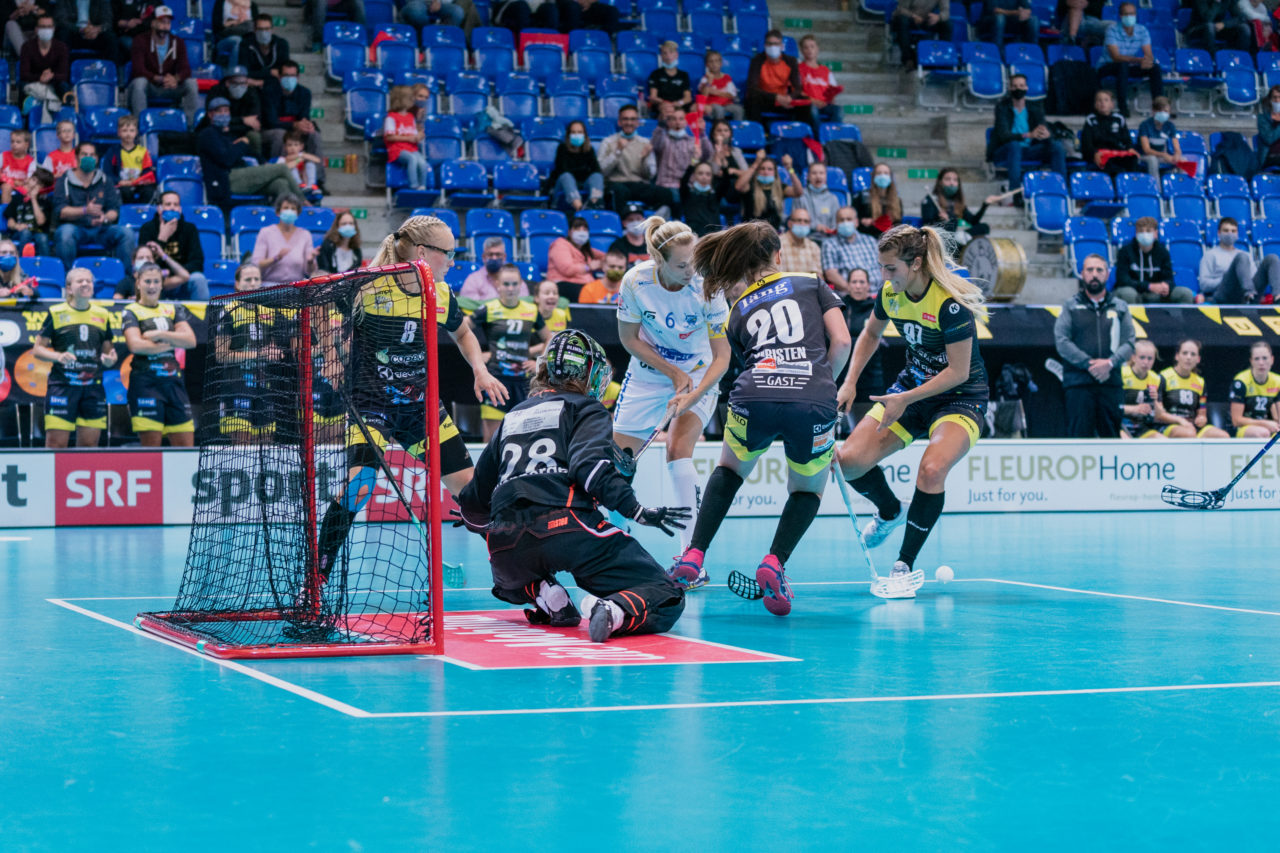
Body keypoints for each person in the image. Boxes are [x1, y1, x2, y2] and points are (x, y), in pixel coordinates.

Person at [455, 329, 689, 642]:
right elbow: (588, 469)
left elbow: (472, 503)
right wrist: (636, 510)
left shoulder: (512, 416)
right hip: (567, 527)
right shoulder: (586, 408)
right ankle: (613, 609)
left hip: (505, 546)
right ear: (588, 373)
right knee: (667, 593)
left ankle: (542, 592)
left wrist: (484, 525)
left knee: (507, 580)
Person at [312, 214, 508, 587]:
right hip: (370, 406)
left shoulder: (442, 293)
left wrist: (480, 371)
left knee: (474, 496)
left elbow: (464, 334)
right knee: (359, 486)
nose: (452, 261)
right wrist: (331, 356)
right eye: (448, 253)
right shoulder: (368, 285)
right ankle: (317, 576)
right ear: (422, 252)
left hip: (421, 409)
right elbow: (319, 303)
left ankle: (521, 571)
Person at [670, 221, 849, 613]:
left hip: (754, 395)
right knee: (807, 489)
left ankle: (693, 555)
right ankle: (774, 562)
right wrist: (824, 389)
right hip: (812, 398)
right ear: (777, 256)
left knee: (730, 471)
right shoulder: (811, 282)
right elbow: (842, 341)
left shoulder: (738, 308)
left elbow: (745, 360)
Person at [835, 224, 986, 596]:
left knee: (932, 470)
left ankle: (903, 565)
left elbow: (958, 371)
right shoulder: (890, 293)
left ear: (916, 263)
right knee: (847, 461)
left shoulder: (950, 304)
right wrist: (850, 381)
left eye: (891, 269)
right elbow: (870, 334)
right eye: (881, 268)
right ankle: (889, 510)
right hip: (909, 390)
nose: (884, 277)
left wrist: (906, 398)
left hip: (959, 397)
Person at [613, 216, 731, 560]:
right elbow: (628, 339)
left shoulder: (708, 286)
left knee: (678, 450)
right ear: (658, 260)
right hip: (648, 374)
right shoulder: (635, 282)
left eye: (693, 261)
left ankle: (691, 556)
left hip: (700, 371)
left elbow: (722, 357)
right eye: (681, 265)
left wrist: (691, 391)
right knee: (618, 460)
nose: (690, 270)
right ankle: (613, 539)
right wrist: (670, 373)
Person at [31, 267, 116, 448]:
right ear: (69, 289)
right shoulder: (56, 312)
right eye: (80, 281)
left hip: (93, 388)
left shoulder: (103, 314)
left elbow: (109, 352)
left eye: (88, 281)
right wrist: (58, 356)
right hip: (62, 386)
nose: (85, 284)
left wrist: (110, 359)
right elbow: (37, 350)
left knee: (88, 447)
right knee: (56, 446)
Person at [1053, 254, 1136, 437]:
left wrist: (1110, 364)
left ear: (1107, 274)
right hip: (1078, 385)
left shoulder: (1120, 307)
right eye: (1090, 270)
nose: (1094, 274)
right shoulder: (1070, 306)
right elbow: (1062, 341)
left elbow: (1130, 341)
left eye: (1099, 270)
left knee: (1111, 439)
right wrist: (1090, 364)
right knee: (1078, 440)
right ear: (1082, 274)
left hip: (1110, 383)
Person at [469, 263, 551, 440]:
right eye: (506, 284)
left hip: (523, 382)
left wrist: (539, 362)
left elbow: (549, 338)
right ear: (497, 285)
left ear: (521, 284)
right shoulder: (488, 308)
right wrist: (477, 355)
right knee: (492, 439)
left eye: (515, 284)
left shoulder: (531, 310)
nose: (511, 288)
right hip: (496, 379)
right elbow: (462, 330)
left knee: (524, 436)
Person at [213, 261, 291, 444]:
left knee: (266, 441)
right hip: (237, 386)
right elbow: (221, 355)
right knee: (242, 445)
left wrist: (275, 353)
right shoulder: (228, 312)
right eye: (248, 279)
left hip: (265, 387)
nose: (253, 283)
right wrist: (258, 354)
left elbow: (277, 349)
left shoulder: (270, 311)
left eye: (257, 279)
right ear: (237, 284)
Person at [122, 262, 197, 446]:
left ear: (162, 284)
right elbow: (136, 345)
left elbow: (190, 341)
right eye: (147, 281)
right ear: (138, 283)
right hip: (146, 384)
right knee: (151, 451)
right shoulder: (131, 311)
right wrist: (172, 342)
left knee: (186, 448)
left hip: (174, 384)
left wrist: (159, 336)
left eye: (156, 281)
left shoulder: (173, 309)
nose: (152, 286)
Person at [196, 97, 296, 214]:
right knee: (282, 168)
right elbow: (226, 159)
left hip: (244, 176)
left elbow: (249, 151)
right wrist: (242, 143)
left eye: (226, 111)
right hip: (227, 180)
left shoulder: (229, 134)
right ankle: (303, 203)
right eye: (219, 111)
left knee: (281, 184)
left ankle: (282, 220)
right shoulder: (207, 134)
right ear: (210, 114)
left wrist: (263, 162)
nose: (224, 114)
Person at [51, 141, 135, 271]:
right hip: (76, 228)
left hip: (101, 229)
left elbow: (114, 210)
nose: (88, 158)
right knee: (65, 233)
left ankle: (125, 279)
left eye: (92, 155)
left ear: (96, 159)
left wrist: (105, 218)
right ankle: (67, 278)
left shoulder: (105, 180)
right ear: (77, 157)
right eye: (84, 154)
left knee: (127, 233)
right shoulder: (65, 180)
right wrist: (85, 210)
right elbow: (61, 211)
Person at [987, 74, 1067, 196]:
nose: (1018, 89)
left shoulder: (1035, 107)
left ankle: (1061, 190)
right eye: (1014, 86)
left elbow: (1042, 127)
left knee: (1056, 146)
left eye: (1021, 86)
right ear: (1009, 88)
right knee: (1014, 146)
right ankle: (1015, 193)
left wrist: (1046, 134)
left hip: (1029, 150)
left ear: (1026, 88)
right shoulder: (1002, 107)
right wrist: (1028, 135)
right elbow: (1004, 136)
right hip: (1005, 150)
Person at [128, 6, 198, 126]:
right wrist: (158, 78)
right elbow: (138, 69)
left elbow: (186, 69)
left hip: (169, 87)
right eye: (161, 22)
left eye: (168, 22)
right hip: (151, 86)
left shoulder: (178, 42)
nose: (165, 26)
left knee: (191, 83)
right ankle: (140, 125)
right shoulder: (140, 40)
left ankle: (189, 126)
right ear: (153, 23)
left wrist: (175, 79)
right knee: (139, 82)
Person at [137, 190, 208, 301]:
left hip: (183, 278)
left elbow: (197, 262)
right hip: (157, 279)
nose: (172, 208)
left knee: (199, 279)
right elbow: (145, 263)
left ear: (180, 209)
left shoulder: (190, 229)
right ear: (159, 208)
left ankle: (203, 317)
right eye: (168, 204)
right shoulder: (147, 229)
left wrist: (176, 275)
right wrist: (162, 239)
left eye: (176, 204)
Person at [599, 104, 669, 215]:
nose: (629, 123)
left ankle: (654, 226)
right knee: (620, 191)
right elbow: (602, 170)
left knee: (665, 193)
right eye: (625, 119)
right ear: (619, 122)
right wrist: (617, 151)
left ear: (637, 123)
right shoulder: (608, 142)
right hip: (616, 183)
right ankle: (624, 228)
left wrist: (644, 158)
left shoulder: (645, 143)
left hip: (638, 184)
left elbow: (651, 174)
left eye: (632, 119)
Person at [1096, 2, 1161, 118]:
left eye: (1132, 14)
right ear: (1120, 16)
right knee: (1122, 65)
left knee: (1154, 68)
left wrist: (1148, 61)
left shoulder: (1142, 30)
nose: (1130, 17)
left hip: (1128, 65)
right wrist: (1139, 60)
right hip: (1107, 66)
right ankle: (1123, 108)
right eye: (1126, 14)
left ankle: (1159, 107)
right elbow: (1116, 57)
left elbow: (1148, 54)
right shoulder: (1112, 30)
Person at [263, 61, 324, 181]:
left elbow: (304, 117)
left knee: (314, 135)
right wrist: (294, 125)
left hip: (295, 129)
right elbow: (271, 121)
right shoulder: (268, 92)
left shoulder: (305, 93)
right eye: (286, 76)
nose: (290, 79)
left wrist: (307, 126)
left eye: (293, 76)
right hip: (270, 130)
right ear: (279, 77)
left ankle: (317, 180)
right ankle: (277, 176)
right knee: (280, 134)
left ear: (298, 77)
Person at [1200, 217, 1280, 305]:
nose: (1230, 234)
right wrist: (1225, 278)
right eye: (1226, 231)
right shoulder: (1210, 255)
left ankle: (1277, 297)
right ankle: (1249, 294)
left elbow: (1253, 277)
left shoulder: (1247, 254)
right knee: (1241, 257)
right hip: (1225, 295)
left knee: (1272, 258)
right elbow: (1204, 285)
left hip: (1247, 292)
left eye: (1233, 231)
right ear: (1219, 233)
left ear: (1237, 234)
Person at [1158, 338, 1229, 438]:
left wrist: (1201, 418)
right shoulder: (1163, 377)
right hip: (1169, 426)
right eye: (1185, 353)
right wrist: (1180, 420)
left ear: (1198, 359)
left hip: (1192, 427)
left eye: (1193, 354)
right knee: (1188, 434)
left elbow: (1202, 411)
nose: (1188, 357)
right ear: (1177, 356)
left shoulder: (1200, 382)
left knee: (1222, 436)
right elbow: (1159, 415)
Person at [1113, 216, 1192, 304]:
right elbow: (1122, 280)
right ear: (1136, 233)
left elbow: (1169, 278)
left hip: (1158, 293)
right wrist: (1148, 286)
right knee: (1128, 293)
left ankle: (1179, 318)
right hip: (1135, 291)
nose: (1144, 234)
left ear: (1155, 233)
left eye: (1148, 231)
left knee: (1185, 293)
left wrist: (1166, 286)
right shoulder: (1125, 251)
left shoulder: (1163, 252)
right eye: (1141, 231)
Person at [839, 267, 883, 424]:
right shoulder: (839, 308)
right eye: (854, 282)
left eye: (861, 282)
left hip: (870, 378)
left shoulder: (877, 307)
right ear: (848, 285)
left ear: (868, 285)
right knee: (836, 431)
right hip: (843, 377)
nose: (858, 286)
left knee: (864, 428)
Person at [653, 108, 710, 218]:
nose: (677, 122)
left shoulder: (692, 141)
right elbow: (655, 144)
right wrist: (661, 124)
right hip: (664, 186)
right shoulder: (663, 139)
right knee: (673, 196)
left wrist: (702, 133)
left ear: (686, 122)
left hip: (686, 187)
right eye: (673, 119)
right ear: (668, 122)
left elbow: (706, 155)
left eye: (681, 119)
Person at [252, 194, 317, 287]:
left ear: (297, 213)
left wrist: (310, 261)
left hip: (296, 287)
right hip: (269, 286)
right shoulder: (266, 232)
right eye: (286, 208)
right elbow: (257, 264)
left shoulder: (305, 234)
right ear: (278, 212)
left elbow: (310, 272)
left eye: (293, 208)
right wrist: (276, 258)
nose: (289, 211)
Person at [920, 168, 997, 245]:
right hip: (938, 240)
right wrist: (940, 220)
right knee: (952, 222)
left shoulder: (957, 203)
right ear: (940, 182)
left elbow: (974, 221)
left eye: (955, 180)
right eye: (947, 179)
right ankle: (959, 239)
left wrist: (985, 205)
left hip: (953, 238)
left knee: (984, 227)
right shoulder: (930, 200)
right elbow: (927, 225)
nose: (952, 183)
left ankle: (960, 238)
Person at [745, 30, 807, 125]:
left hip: (785, 100)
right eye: (769, 44)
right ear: (765, 45)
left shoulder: (791, 61)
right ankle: (758, 132)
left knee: (805, 103)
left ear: (781, 46)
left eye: (776, 44)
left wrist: (790, 97)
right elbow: (752, 88)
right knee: (751, 100)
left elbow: (798, 87)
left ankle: (806, 135)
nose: (772, 47)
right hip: (765, 99)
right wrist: (776, 97)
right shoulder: (757, 61)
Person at [19, 14, 68, 125]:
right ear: (36, 29)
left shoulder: (61, 47)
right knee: (22, 84)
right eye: (43, 27)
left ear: (54, 29)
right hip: (33, 83)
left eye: (49, 27)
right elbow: (24, 74)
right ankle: (26, 121)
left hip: (54, 83)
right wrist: (40, 78)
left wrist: (51, 77)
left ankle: (62, 118)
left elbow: (64, 74)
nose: (46, 30)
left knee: (64, 85)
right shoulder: (27, 47)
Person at [822, 206, 882, 296]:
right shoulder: (830, 244)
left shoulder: (870, 240)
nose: (845, 222)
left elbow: (883, 266)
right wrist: (856, 291)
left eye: (849, 219)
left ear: (856, 222)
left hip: (880, 293)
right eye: (841, 220)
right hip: (852, 296)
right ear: (836, 224)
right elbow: (831, 274)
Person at [546, 120, 604, 213]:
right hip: (564, 185)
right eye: (573, 132)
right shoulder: (562, 148)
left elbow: (596, 170)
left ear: (584, 135)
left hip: (583, 184)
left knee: (597, 176)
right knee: (566, 176)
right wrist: (583, 171)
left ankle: (594, 203)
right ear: (568, 135)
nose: (577, 135)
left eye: (580, 132)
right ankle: (579, 207)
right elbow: (562, 170)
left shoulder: (589, 150)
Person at [1081, 89, 1140, 176]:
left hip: (1116, 152)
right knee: (1113, 167)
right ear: (1095, 104)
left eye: (1106, 100)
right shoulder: (1090, 120)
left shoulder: (1119, 119)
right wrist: (1094, 153)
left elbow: (1126, 139)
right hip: (1100, 153)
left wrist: (1130, 148)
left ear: (1112, 104)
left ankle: (1131, 186)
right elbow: (1087, 143)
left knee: (1133, 158)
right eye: (1099, 100)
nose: (1102, 103)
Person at [208, 66, 263, 159]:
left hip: (242, 131)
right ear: (227, 83)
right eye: (235, 83)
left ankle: (257, 162)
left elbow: (254, 123)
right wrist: (242, 120)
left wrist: (232, 125)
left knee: (254, 136)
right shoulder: (216, 91)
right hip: (219, 130)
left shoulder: (252, 93)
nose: (239, 86)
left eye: (243, 83)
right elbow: (212, 119)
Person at [101, 114, 156, 206]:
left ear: (136, 132)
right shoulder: (113, 151)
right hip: (121, 184)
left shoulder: (143, 151)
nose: (128, 134)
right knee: (125, 191)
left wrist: (140, 180)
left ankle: (141, 212)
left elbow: (147, 172)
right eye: (124, 131)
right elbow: (107, 173)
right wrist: (118, 181)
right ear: (119, 132)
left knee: (149, 190)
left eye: (131, 131)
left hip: (139, 183)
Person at [735, 154, 800, 231]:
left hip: (773, 232)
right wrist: (756, 163)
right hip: (751, 233)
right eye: (762, 168)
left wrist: (790, 168)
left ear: (775, 172)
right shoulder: (750, 186)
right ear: (757, 171)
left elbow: (798, 192)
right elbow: (738, 186)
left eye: (770, 169)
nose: (766, 172)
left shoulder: (780, 188)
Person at [545, 216, 604, 301]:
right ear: (569, 232)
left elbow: (606, 257)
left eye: (584, 229)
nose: (581, 232)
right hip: (563, 284)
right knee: (591, 293)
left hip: (583, 284)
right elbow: (567, 269)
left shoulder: (585, 249)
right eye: (577, 229)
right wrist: (588, 267)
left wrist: (605, 263)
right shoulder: (560, 244)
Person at [1229, 341, 1280, 438]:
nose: (1261, 363)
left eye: (1265, 358)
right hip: (1242, 428)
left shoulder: (1278, 381)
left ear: (1272, 360)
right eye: (1257, 359)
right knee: (1263, 432)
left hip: (1270, 426)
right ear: (1251, 361)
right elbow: (1236, 420)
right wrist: (1265, 424)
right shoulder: (1241, 382)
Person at [1120, 340, 1168, 439]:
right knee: (1126, 443)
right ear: (1133, 357)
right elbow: (1111, 408)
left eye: (1150, 359)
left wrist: (1155, 400)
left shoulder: (1156, 379)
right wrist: (1134, 409)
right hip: (1120, 424)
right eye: (1142, 357)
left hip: (1141, 427)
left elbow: (1159, 415)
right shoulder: (1122, 374)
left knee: (1163, 441)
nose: (1146, 362)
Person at [797, 35, 843, 136]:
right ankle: (820, 138)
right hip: (808, 103)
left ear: (817, 49)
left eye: (812, 46)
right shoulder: (799, 68)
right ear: (801, 50)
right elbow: (797, 91)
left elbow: (832, 90)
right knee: (813, 109)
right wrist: (813, 100)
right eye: (806, 47)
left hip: (824, 104)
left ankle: (832, 138)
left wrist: (830, 99)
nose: (809, 50)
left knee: (838, 110)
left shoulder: (825, 70)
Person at [385, 86, 428, 191]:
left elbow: (414, 134)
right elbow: (389, 137)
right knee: (412, 159)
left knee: (422, 162)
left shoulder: (410, 117)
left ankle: (423, 186)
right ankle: (413, 186)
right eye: (410, 97)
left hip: (412, 148)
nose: (413, 99)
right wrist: (409, 139)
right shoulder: (391, 117)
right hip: (397, 149)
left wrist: (418, 136)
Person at [891, 0, 951, 71]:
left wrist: (939, 17)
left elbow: (946, 12)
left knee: (947, 24)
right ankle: (908, 59)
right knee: (902, 20)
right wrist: (913, 16)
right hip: (908, 16)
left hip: (925, 19)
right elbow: (901, 9)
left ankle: (943, 59)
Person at [5, 168, 51, 257]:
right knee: (26, 233)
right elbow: (10, 222)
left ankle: (45, 265)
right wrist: (17, 226)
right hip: (19, 233)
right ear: (29, 179)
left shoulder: (45, 202)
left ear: (43, 188)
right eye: (33, 180)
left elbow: (40, 221)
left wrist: (33, 199)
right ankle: (22, 263)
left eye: (39, 184)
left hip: (38, 232)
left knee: (43, 238)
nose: (34, 184)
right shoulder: (17, 199)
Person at [238, 14, 289, 91]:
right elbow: (245, 71)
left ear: (272, 29)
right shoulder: (246, 44)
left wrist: (260, 81)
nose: (264, 32)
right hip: (251, 86)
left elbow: (283, 71)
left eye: (267, 29)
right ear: (254, 30)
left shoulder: (281, 44)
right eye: (260, 29)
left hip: (274, 84)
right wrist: (270, 72)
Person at [1136, 97, 1182, 181]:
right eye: (1161, 111)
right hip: (1144, 156)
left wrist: (1177, 155)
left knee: (1183, 160)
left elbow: (1177, 148)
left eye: (1166, 111)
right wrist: (1163, 155)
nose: (1164, 114)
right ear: (1154, 111)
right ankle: (1157, 189)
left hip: (1161, 156)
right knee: (1152, 160)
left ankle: (1181, 189)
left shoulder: (1170, 126)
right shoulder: (1145, 125)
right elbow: (1146, 150)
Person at [794, 162, 840, 242]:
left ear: (826, 176)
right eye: (814, 173)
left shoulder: (833, 199)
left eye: (821, 173)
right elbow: (795, 221)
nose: (818, 176)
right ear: (808, 177)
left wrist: (828, 230)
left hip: (829, 240)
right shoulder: (800, 196)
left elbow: (836, 224)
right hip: (805, 239)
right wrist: (815, 227)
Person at [647, 40, 693, 118]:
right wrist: (664, 103)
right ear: (661, 56)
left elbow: (688, 98)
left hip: (679, 106)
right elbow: (653, 97)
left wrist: (679, 103)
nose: (668, 56)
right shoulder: (655, 74)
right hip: (662, 105)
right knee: (667, 110)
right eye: (665, 53)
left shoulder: (683, 75)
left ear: (676, 55)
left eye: (671, 52)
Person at [1186, 0, 1250, 54]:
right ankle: (1213, 58)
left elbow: (1241, 18)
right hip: (1197, 29)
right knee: (1210, 26)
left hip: (1216, 29)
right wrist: (1216, 2)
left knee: (1244, 28)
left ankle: (1241, 57)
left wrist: (1224, 24)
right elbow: (1207, 18)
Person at [856, 163, 903, 235]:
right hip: (867, 236)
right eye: (879, 173)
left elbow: (898, 224)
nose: (882, 176)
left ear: (890, 177)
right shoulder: (862, 197)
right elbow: (855, 221)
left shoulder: (897, 200)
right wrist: (862, 221)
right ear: (873, 177)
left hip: (889, 238)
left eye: (886, 173)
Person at [277, 129, 323, 203]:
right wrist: (298, 159)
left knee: (310, 164)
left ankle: (312, 186)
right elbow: (285, 167)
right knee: (293, 168)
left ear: (301, 146)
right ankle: (301, 186)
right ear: (285, 147)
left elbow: (318, 160)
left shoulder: (302, 156)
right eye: (289, 145)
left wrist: (302, 155)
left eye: (296, 145)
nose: (293, 148)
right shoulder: (281, 159)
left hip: (306, 185)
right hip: (292, 187)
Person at [699, 49, 744, 122]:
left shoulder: (727, 78)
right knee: (719, 109)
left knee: (738, 110)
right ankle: (718, 129)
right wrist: (709, 81)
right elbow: (703, 96)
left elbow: (732, 95)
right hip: (712, 105)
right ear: (707, 65)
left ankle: (738, 130)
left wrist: (714, 92)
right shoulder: (705, 79)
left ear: (721, 63)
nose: (714, 64)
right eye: (711, 61)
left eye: (717, 61)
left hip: (727, 104)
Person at [779, 207, 823, 277]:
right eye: (799, 220)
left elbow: (818, 278)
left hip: (809, 287)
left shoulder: (814, 247)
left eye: (806, 221)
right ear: (790, 223)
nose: (802, 224)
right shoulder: (778, 244)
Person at [317, 210, 362, 274]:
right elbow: (323, 270)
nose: (348, 226)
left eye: (351, 223)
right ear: (337, 226)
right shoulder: (327, 245)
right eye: (344, 224)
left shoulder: (356, 249)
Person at [707, 119, 748, 190]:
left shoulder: (736, 151)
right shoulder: (709, 150)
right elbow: (714, 171)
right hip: (716, 186)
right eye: (719, 130)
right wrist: (719, 147)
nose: (723, 133)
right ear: (713, 134)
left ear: (730, 134)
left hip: (735, 185)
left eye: (726, 130)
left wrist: (734, 171)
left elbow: (746, 171)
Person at [607, 202, 651, 266]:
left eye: (638, 219)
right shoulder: (617, 246)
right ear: (624, 223)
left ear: (644, 220)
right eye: (631, 220)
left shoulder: (652, 244)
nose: (635, 222)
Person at [1, 129, 35, 207]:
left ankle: (23, 214)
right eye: (12, 141)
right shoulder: (3, 155)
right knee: (6, 187)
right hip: (6, 183)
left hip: (22, 185)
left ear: (26, 145)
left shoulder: (30, 161)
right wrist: (11, 181)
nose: (14, 144)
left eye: (18, 142)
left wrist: (21, 183)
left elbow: (30, 179)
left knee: (30, 189)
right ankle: (5, 213)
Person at [1257, 85, 1280, 172]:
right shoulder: (1263, 118)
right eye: (1274, 97)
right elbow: (1269, 139)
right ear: (1270, 100)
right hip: (1271, 156)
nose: (1277, 100)